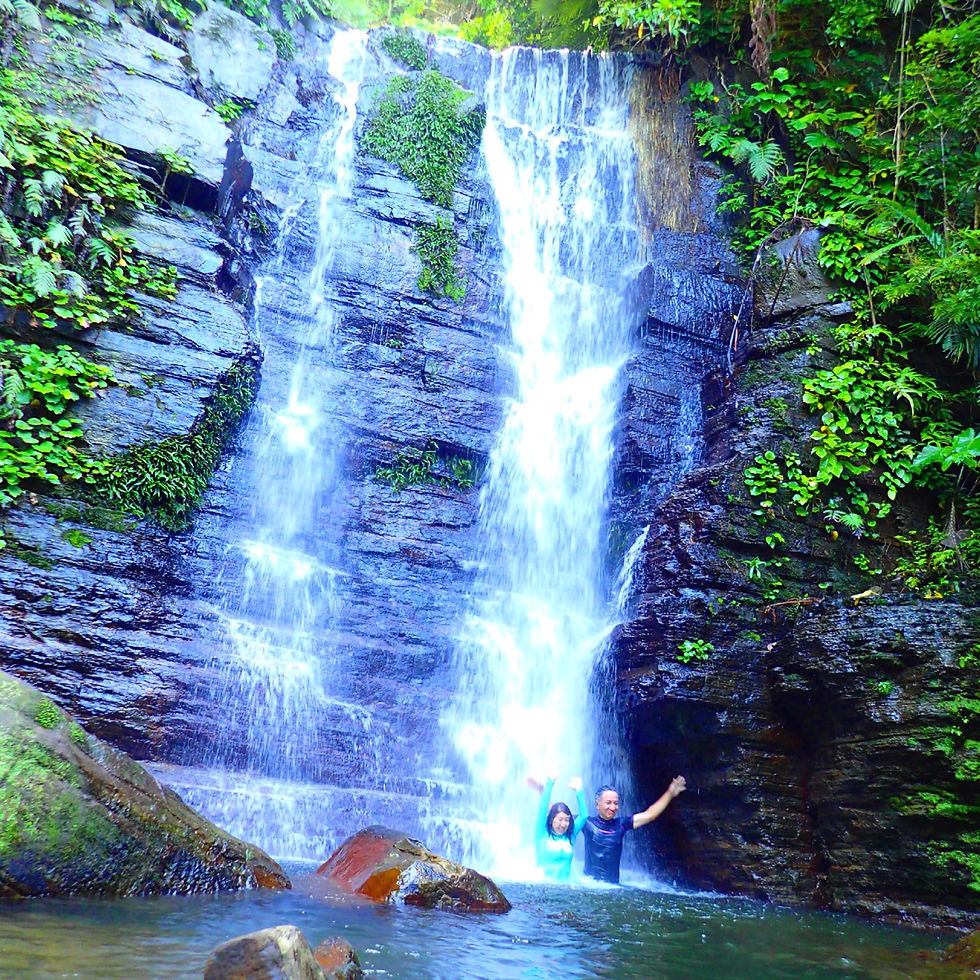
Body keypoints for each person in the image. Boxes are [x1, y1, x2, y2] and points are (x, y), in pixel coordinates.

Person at [582, 777, 686, 885]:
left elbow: (649, 815)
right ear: (597, 804)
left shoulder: (621, 825)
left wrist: (670, 793)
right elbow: (564, 821)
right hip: (589, 885)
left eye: (616, 803)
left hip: (612, 887)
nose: (613, 807)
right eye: (608, 803)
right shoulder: (586, 823)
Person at [532, 774, 588, 881]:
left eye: (567, 820)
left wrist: (579, 791)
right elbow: (543, 807)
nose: (563, 824)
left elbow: (584, 816)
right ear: (552, 819)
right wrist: (550, 783)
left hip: (566, 888)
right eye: (560, 819)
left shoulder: (570, 835)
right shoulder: (542, 834)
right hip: (543, 887)